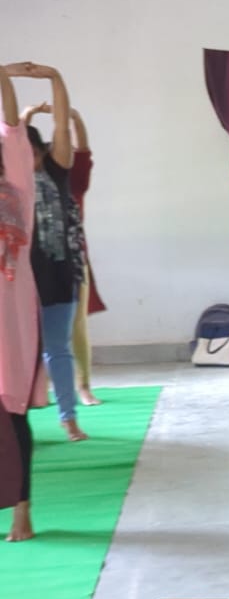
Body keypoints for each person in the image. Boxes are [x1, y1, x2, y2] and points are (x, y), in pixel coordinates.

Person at [14, 65, 86, 443]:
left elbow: (61, 129)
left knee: (57, 349)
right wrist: (22, 116)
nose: (26, 160)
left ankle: (68, 417)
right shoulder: (10, 180)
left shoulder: (56, 171)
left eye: (31, 153)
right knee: (15, 355)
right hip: (18, 280)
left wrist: (55, 78)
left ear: (41, 153)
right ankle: (15, 421)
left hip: (57, 276)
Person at [0, 64, 47, 541]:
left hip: (9, 322)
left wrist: (1, 75)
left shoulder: (15, 187)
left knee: (13, 417)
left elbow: (12, 126)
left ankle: (22, 510)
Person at [61, 107, 104, 407]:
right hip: (36, 263)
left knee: (77, 326)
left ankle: (84, 386)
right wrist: (24, 119)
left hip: (75, 260)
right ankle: (39, 388)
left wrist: (74, 119)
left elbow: (83, 151)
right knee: (38, 328)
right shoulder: (31, 181)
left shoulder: (74, 181)